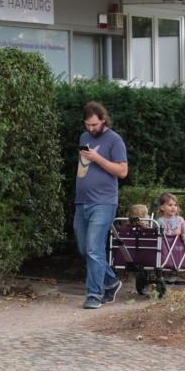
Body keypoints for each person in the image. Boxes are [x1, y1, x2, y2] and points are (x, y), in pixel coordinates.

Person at [74, 101, 128, 309]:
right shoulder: (84, 137)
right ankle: (111, 281)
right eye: (87, 125)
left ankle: (94, 294)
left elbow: (122, 171)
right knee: (84, 249)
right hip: (82, 201)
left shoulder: (115, 140)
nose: (91, 129)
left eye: (94, 125)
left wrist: (97, 158)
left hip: (104, 202)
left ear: (103, 120)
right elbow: (83, 166)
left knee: (94, 249)